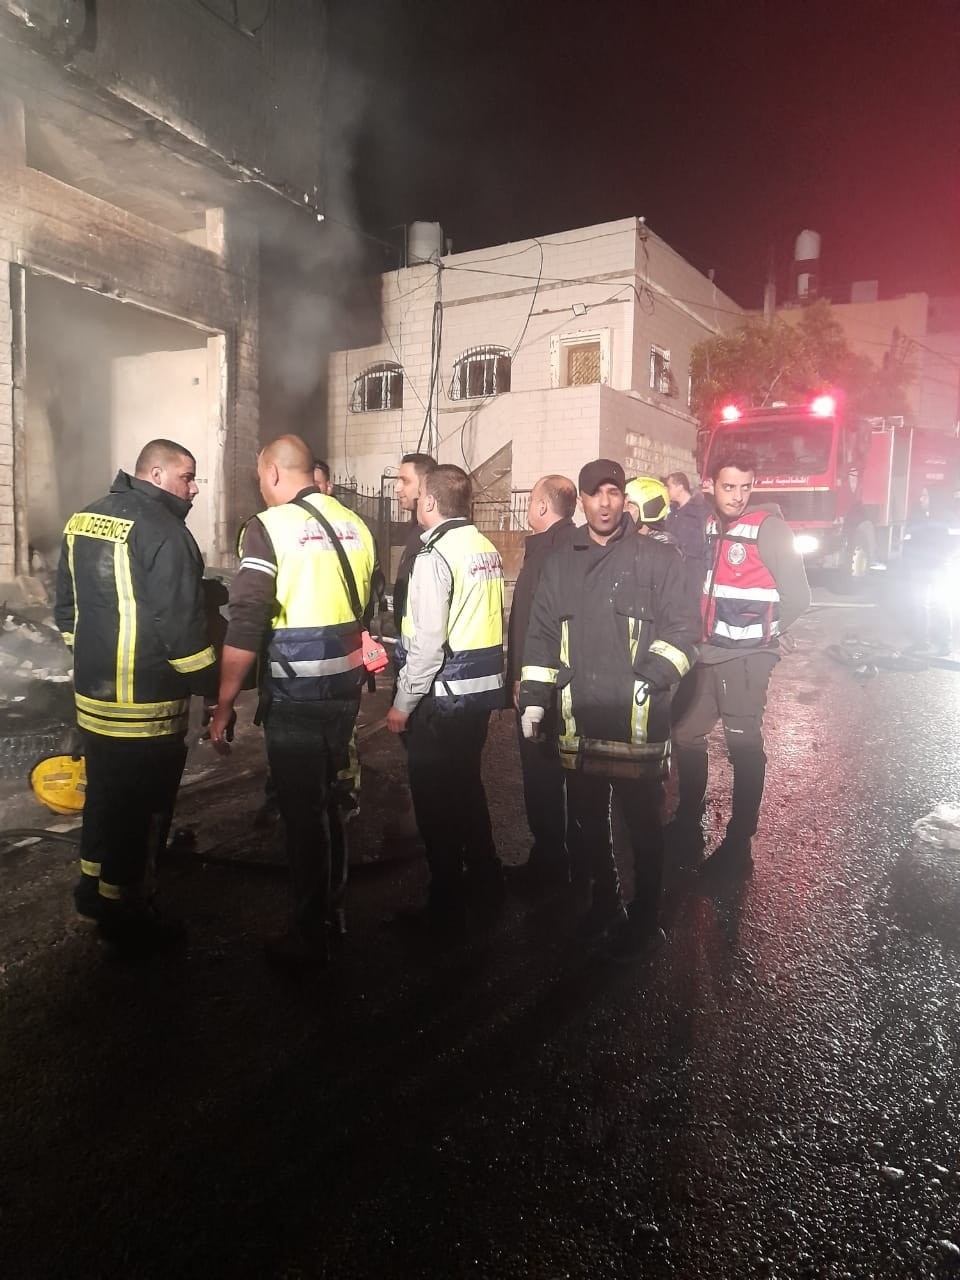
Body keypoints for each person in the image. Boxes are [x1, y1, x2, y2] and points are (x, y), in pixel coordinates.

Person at [208, 435, 376, 970]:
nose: (261, 487)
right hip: (344, 691)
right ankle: (333, 912)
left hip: (297, 695)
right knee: (332, 802)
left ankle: (309, 936)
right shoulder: (357, 526)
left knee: (303, 817)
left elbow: (247, 622)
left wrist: (224, 703)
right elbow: (364, 606)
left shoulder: (269, 527)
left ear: (275, 474)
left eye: (260, 477)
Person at [520, 459, 700, 956]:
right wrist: (533, 700)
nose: (604, 502)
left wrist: (648, 682)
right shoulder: (560, 563)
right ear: (581, 500)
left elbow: (685, 633)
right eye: (594, 493)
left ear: (625, 499)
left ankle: (645, 914)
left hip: (636, 724)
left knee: (643, 825)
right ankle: (605, 901)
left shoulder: (657, 559)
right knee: (588, 824)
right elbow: (541, 635)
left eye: (613, 492)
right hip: (579, 720)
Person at [55, 439, 217, 955]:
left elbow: (66, 611)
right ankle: (128, 917)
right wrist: (213, 687)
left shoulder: (82, 519)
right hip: (146, 705)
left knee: (104, 797)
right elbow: (182, 630)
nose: (194, 488)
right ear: (156, 474)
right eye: (188, 476)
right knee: (142, 814)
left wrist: (91, 661)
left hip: (93, 698)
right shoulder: (165, 532)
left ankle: (92, 891)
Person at [670, 450, 811, 876]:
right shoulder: (711, 525)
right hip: (709, 653)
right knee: (687, 733)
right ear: (711, 485)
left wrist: (768, 635)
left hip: (746, 660)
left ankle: (738, 848)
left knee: (743, 747)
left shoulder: (770, 529)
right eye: (728, 487)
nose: (737, 496)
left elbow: (799, 597)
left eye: (745, 487)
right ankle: (688, 820)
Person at [385, 464, 505, 936]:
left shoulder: (434, 555)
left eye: (417, 496)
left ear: (431, 502)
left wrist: (402, 703)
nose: (413, 501)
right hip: (477, 698)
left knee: (435, 804)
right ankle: (486, 878)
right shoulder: (484, 548)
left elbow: (428, 645)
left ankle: (446, 907)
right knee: (467, 788)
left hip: (442, 700)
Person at [504, 474, 578, 892]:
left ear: (544, 507)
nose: (529, 506)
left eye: (532, 500)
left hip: (541, 685)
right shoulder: (576, 546)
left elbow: (534, 625)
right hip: (569, 683)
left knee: (542, 774)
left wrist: (522, 679)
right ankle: (572, 860)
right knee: (568, 777)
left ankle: (550, 864)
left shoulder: (547, 554)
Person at [392, 452, 438, 634]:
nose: (397, 488)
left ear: (425, 483)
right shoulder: (416, 528)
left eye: (405, 481)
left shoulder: (431, 535)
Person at [664, 471, 709, 566]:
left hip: (690, 565)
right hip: (671, 563)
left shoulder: (698, 510)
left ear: (680, 487)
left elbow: (701, 542)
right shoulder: (672, 510)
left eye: (669, 487)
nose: (666, 490)